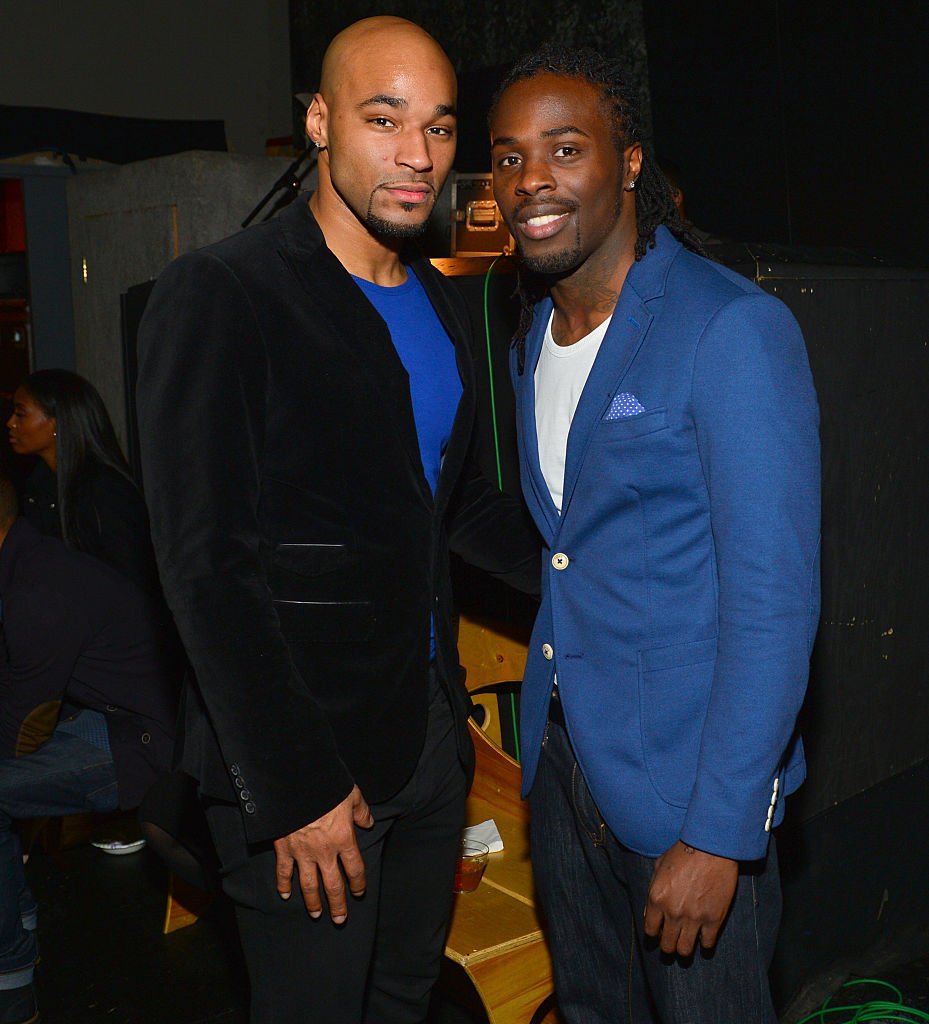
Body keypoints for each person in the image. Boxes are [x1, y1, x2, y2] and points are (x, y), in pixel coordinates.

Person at [135, 16, 538, 1024]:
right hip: (305, 769)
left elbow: (455, 503)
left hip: (426, 744)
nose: (417, 155)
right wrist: (294, 786)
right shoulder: (223, 292)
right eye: (382, 117)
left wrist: (596, 562)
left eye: (440, 127)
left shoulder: (446, 307)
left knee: (404, 995)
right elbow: (204, 566)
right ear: (318, 121)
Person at [489, 45, 820, 1023]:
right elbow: (568, 548)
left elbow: (773, 602)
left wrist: (719, 832)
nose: (529, 181)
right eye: (506, 157)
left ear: (627, 161)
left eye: (562, 147)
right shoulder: (527, 341)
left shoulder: (730, 330)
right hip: (562, 772)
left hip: (686, 795)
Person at [0, 476, 178, 1024]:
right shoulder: (26, 560)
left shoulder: (38, 588)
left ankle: (12, 979)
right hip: (106, 716)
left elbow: (20, 731)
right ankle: (18, 914)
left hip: (148, 740)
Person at [6, 369, 160, 595]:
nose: (10, 423)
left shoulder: (105, 491)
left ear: (56, 423)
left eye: (21, 414)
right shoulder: (37, 486)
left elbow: (130, 579)